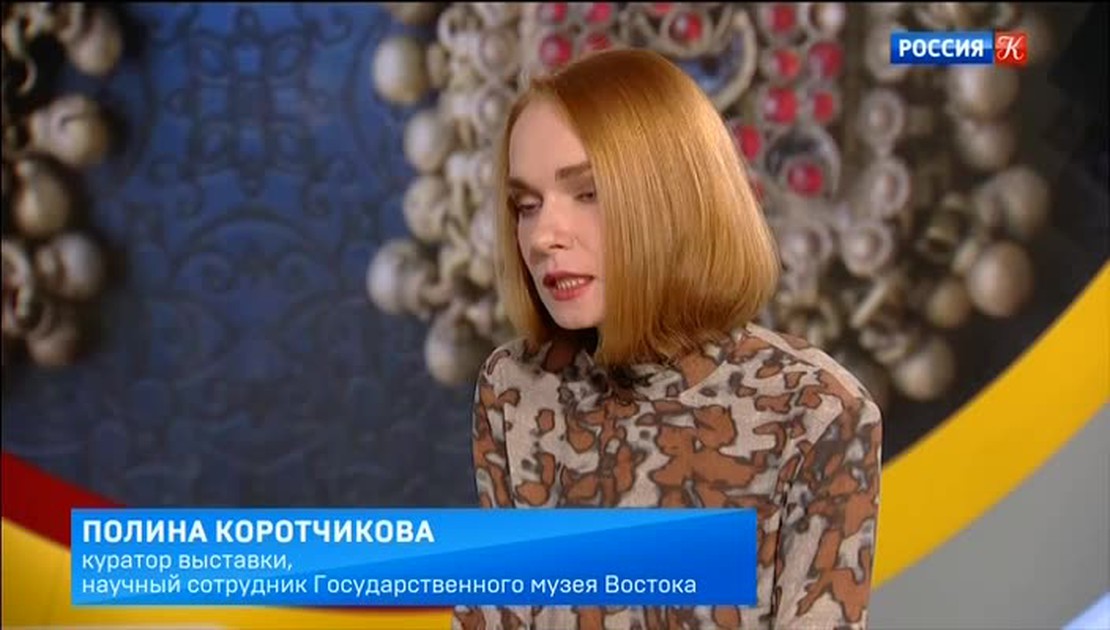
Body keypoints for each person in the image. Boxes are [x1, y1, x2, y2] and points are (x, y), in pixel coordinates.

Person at [453, 47, 882, 630]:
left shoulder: (819, 412)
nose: (542, 236)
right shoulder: (514, 387)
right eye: (526, 205)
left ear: (672, 200)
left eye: (587, 193)